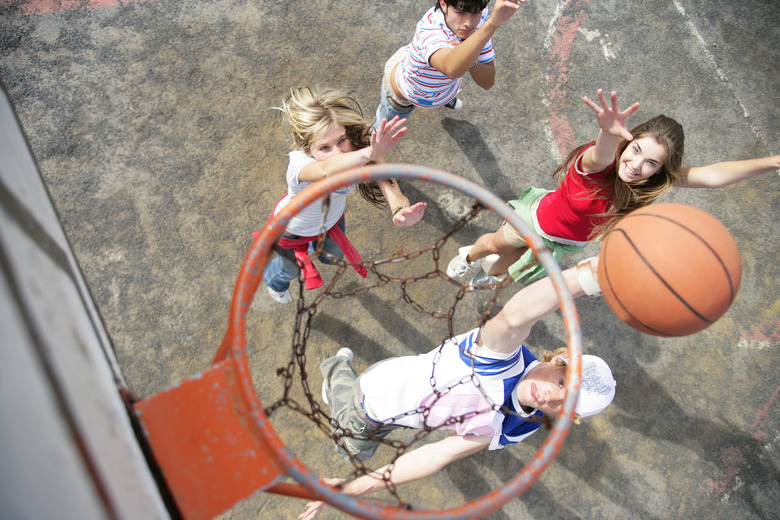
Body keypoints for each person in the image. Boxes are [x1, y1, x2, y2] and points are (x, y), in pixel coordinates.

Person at [299, 257, 615, 519]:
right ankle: (336, 373)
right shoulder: (498, 356)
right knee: (350, 443)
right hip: (371, 405)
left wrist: (354, 488)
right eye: (562, 382)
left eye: (566, 401)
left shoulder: (520, 427)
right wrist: (586, 276)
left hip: (401, 406)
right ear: (560, 358)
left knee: (369, 420)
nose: (551, 396)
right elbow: (517, 315)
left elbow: (438, 454)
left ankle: (340, 374)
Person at [447, 89, 780, 287]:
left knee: (510, 266)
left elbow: (713, 176)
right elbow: (602, 152)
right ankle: (469, 256)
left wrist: (774, 162)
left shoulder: (647, 183)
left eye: (652, 163)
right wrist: (607, 131)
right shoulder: (595, 167)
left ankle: (491, 273)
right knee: (493, 244)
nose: (637, 165)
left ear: (660, 170)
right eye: (636, 150)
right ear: (627, 142)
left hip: (563, 242)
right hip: (533, 221)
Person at [261, 87, 427, 304]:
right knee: (289, 271)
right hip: (292, 231)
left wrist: (400, 209)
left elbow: (388, 182)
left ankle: (314, 247)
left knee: (332, 258)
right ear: (308, 150)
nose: (338, 151)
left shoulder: (360, 149)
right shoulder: (299, 165)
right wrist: (368, 154)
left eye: (341, 140)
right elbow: (327, 169)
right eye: (324, 147)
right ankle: (275, 282)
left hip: (332, 222)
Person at [373, 0, 525, 130]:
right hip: (404, 93)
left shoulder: (481, 14)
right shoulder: (430, 31)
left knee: (446, 80)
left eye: (476, 13)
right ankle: (368, 152)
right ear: (443, 3)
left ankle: (444, 98)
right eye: (460, 12)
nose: (469, 23)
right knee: (382, 132)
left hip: (441, 86)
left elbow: (488, 82)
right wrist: (492, 24)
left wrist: (469, 57)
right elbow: (451, 69)